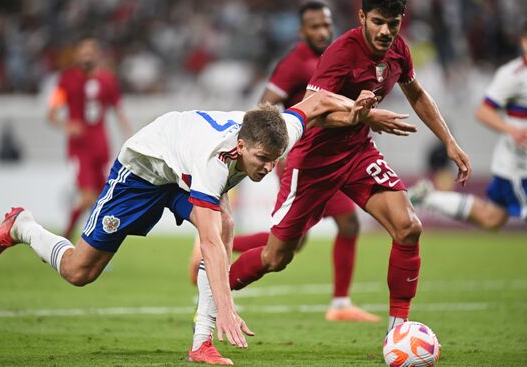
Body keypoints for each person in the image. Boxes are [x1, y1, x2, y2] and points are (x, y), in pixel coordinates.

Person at [0, 89, 410, 365]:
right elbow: (207, 242)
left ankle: (200, 344)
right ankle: (23, 225)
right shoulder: (213, 163)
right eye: (261, 161)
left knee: (225, 223)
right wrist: (226, 303)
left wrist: (359, 113)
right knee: (80, 272)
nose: (267, 169)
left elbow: (314, 103)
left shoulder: (275, 132)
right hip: (144, 171)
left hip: (179, 171)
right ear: (240, 148)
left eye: (274, 161)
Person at [195, 0, 471, 344]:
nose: (386, 31)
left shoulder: (399, 49)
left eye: (393, 23)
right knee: (277, 257)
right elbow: (313, 112)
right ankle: (210, 295)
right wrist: (358, 115)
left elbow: (416, 93)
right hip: (312, 160)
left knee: (408, 227)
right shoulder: (340, 54)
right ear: (362, 18)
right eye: (379, 22)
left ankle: (397, 333)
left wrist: (449, 141)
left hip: (357, 152)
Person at [189, 0, 379, 323]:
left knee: (295, 240)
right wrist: (280, 145)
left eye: (326, 25)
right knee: (343, 225)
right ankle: (339, 303)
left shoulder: (333, 57)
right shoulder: (294, 63)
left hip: (328, 156)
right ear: (302, 30)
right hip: (303, 158)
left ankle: (214, 250)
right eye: (315, 26)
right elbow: (263, 108)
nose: (322, 31)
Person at [410, 21, 527, 229]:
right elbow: (483, 111)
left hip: (514, 163)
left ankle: (429, 198)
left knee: (491, 219)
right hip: (518, 165)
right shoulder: (513, 75)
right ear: (524, 42)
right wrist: (513, 130)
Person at [47, 37, 132, 240]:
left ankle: (89, 249)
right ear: (77, 55)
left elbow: (119, 112)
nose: (86, 56)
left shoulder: (107, 80)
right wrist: (67, 125)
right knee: (87, 197)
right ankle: (67, 237)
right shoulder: (67, 80)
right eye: (83, 52)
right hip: (79, 149)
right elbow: (51, 113)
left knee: (101, 200)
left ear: (97, 55)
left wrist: (130, 138)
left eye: (90, 52)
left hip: (101, 147)